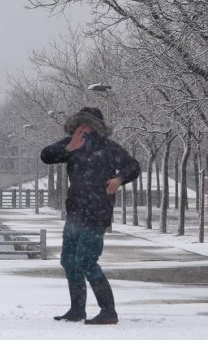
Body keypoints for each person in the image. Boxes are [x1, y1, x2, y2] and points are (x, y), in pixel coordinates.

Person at [40, 107, 140, 325]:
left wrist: (118, 180)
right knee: (68, 260)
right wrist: (68, 148)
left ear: (95, 127)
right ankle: (77, 309)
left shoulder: (108, 147)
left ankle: (108, 311)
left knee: (86, 260)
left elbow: (133, 166)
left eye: (84, 125)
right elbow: (46, 156)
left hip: (97, 211)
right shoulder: (72, 143)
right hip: (75, 211)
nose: (80, 129)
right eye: (77, 125)